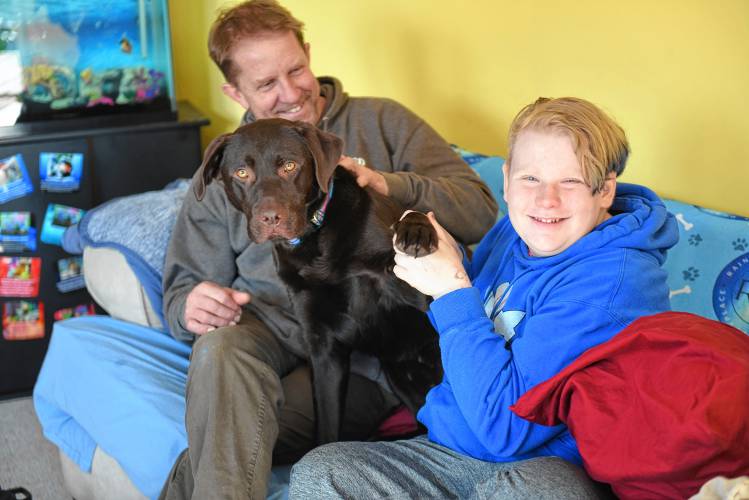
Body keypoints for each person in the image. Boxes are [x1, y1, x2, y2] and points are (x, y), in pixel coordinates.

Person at [158, 1, 497, 498]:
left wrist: (390, 184)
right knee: (219, 351)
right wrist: (190, 306)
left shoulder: (382, 120)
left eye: (296, 69)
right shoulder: (229, 164)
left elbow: (481, 209)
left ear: (309, 53)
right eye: (266, 84)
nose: (291, 93)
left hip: (372, 355)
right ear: (235, 92)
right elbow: (181, 286)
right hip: (275, 336)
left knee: (216, 448)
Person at [288, 96, 680, 499]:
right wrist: (447, 269)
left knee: (530, 492)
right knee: (324, 472)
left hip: (544, 468)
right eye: (530, 179)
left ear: (605, 191)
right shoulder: (520, 231)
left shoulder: (613, 283)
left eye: (571, 181)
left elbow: (505, 430)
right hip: (451, 452)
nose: (547, 200)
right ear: (507, 180)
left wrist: (452, 289)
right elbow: (463, 336)